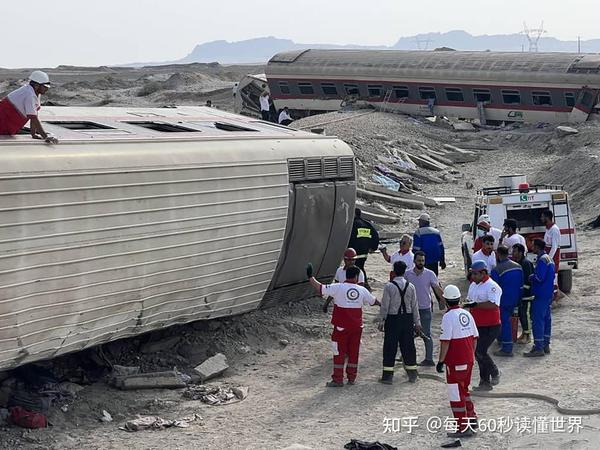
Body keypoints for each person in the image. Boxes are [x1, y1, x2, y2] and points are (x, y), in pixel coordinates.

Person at [308, 265, 379, 386]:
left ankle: (338, 379)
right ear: (356, 277)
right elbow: (374, 301)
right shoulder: (362, 290)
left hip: (341, 327)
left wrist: (310, 277)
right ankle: (351, 378)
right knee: (353, 352)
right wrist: (386, 306)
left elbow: (320, 288)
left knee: (339, 352)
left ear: (346, 275)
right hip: (357, 327)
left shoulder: (338, 287)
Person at [437, 284, 479, 438]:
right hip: (468, 360)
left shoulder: (448, 317)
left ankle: (463, 427)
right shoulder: (467, 314)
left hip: (455, 362)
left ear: (446, 301)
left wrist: (441, 361)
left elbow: (445, 342)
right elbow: (475, 338)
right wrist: (470, 356)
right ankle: (472, 419)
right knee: (464, 390)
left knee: (456, 395)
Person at [378, 261, 421, 384]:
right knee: (408, 347)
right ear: (404, 271)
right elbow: (414, 306)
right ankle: (412, 374)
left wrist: (381, 320)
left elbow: (385, 305)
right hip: (407, 320)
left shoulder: (389, 286)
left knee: (390, 347)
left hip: (393, 319)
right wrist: (417, 323)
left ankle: (387, 377)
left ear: (394, 271)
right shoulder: (411, 286)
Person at [465, 260, 502, 391]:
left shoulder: (492, 286)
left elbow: (493, 304)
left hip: (491, 326)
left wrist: (475, 305)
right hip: (477, 325)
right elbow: (470, 301)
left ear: (483, 273)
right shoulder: (473, 285)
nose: (473, 277)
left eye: (475, 274)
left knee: (480, 351)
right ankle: (484, 382)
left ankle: (495, 372)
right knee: (479, 353)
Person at [405, 251, 444, 367]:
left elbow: (437, 289)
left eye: (422, 261)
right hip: (410, 309)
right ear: (414, 261)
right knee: (408, 334)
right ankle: (407, 357)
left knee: (426, 334)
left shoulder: (430, 274)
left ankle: (429, 359)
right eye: (419, 260)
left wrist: (446, 301)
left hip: (425, 308)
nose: (421, 263)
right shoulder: (407, 275)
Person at [0, 71, 58, 143]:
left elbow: (34, 114)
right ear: (36, 85)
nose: (47, 89)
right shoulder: (29, 94)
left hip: (8, 122)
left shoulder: (35, 92)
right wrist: (45, 136)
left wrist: (33, 134)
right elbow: (33, 118)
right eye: (45, 86)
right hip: (3, 121)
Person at [524, 239, 555, 357]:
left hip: (541, 294)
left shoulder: (542, 260)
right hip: (547, 294)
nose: (532, 248)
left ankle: (538, 348)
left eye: (533, 246)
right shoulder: (549, 259)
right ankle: (545, 344)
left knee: (538, 321)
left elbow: (539, 278)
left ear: (537, 247)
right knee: (547, 320)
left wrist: (531, 277)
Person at [491, 246, 524, 357]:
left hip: (503, 301)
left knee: (504, 323)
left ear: (498, 254)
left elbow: (494, 288)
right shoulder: (518, 267)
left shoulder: (497, 270)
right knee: (510, 322)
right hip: (515, 299)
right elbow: (521, 285)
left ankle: (507, 348)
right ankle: (503, 340)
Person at [322, 248, 366, 313]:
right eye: (349, 260)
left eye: (353, 260)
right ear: (344, 260)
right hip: (340, 303)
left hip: (352, 303)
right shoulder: (339, 271)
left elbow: (361, 291)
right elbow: (335, 289)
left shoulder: (359, 273)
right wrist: (327, 303)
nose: (351, 262)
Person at [348, 208, 379, 290]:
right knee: (360, 266)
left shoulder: (353, 224)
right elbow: (376, 236)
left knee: (357, 267)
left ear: (354, 214)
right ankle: (362, 284)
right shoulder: (367, 224)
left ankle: (363, 285)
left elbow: (349, 237)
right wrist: (373, 247)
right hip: (364, 252)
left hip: (355, 252)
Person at [512, 243, 534, 344]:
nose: (513, 253)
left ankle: (528, 335)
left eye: (515, 251)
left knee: (526, 314)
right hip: (520, 294)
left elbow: (528, 280)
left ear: (520, 252)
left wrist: (522, 289)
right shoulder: (518, 262)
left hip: (527, 295)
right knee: (521, 314)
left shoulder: (525, 263)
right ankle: (524, 333)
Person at [541, 210, 561, 298]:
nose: (541, 218)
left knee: (553, 278)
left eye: (542, 217)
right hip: (548, 256)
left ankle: (555, 296)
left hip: (552, 258)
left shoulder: (554, 229)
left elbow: (554, 247)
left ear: (547, 217)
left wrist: (548, 259)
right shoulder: (548, 228)